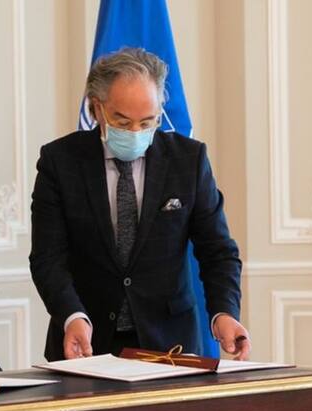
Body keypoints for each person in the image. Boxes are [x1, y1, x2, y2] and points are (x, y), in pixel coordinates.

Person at [30, 47, 251, 361]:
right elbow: (47, 258)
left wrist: (224, 312)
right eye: (122, 122)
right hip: (85, 343)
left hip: (170, 345)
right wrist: (71, 316)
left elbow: (218, 250)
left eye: (147, 122)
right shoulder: (60, 162)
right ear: (97, 108)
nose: (135, 132)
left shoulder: (188, 161)